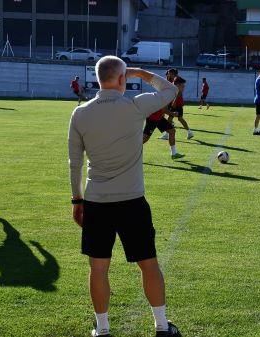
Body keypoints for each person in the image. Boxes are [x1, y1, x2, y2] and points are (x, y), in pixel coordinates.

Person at [68, 56, 181, 337]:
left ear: (97, 78)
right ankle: (162, 326)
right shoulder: (134, 105)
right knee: (148, 263)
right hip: (132, 202)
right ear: (122, 78)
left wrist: (77, 200)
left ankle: (103, 329)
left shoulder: (80, 113)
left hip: (96, 202)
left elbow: (75, 163)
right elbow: (170, 91)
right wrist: (143, 73)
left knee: (98, 267)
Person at [159, 69, 194, 140]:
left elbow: (179, 92)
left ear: (172, 73)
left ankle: (166, 134)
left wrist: (174, 101)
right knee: (180, 118)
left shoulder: (177, 79)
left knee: (170, 119)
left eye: (169, 73)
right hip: (178, 102)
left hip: (176, 102)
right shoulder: (176, 79)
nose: (168, 74)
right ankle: (189, 132)